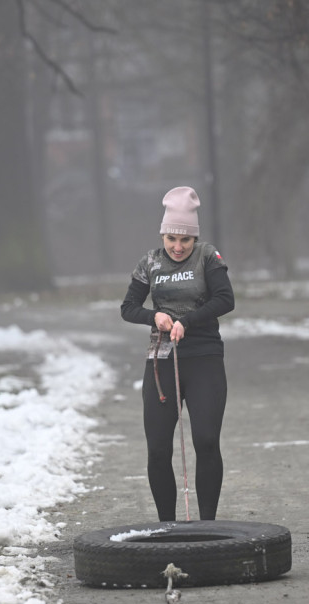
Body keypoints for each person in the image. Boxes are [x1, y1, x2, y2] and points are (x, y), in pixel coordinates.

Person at [120, 186, 235, 521]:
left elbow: (225, 300)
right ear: (163, 234)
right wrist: (153, 316)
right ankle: (167, 526)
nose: (178, 246)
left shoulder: (208, 257)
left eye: (185, 240)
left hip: (204, 359)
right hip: (161, 361)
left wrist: (188, 320)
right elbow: (128, 307)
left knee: (206, 440)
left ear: (194, 239)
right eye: (172, 238)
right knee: (158, 448)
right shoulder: (150, 262)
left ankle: (208, 525)